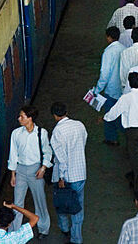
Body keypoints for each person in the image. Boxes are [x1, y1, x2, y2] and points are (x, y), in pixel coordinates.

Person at [7, 106, 52, 239]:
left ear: (30, 118)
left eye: (22, 116)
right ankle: (14, 232)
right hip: (20, 170)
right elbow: (13, 154)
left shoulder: (41, 133)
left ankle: (44, 229)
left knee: (40, 201)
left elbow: (47, 151)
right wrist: (13, 174)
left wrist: (43, 168)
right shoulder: (16, 133)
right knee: (17, 203)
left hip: (36, 170)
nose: (19, 118)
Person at [49, 102, 88, 244]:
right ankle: (76, 238)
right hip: (80, 173)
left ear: (54, 116)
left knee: (62, 203)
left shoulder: (57, 132)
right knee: (78, 207)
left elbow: (61, 158)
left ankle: (64, 228)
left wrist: (61, 177)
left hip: (65, 176)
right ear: (66, 112)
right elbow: (83, 141)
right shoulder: (79, 125)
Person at [94, 26, 124, 146]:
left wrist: (97, 89)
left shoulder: (108, 52)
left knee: (109, 114)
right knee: (120, 112)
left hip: (111, 89)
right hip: (122, 87)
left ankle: (112, 138)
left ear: (109, 37)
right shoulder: (124, 49)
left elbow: (104, 73)